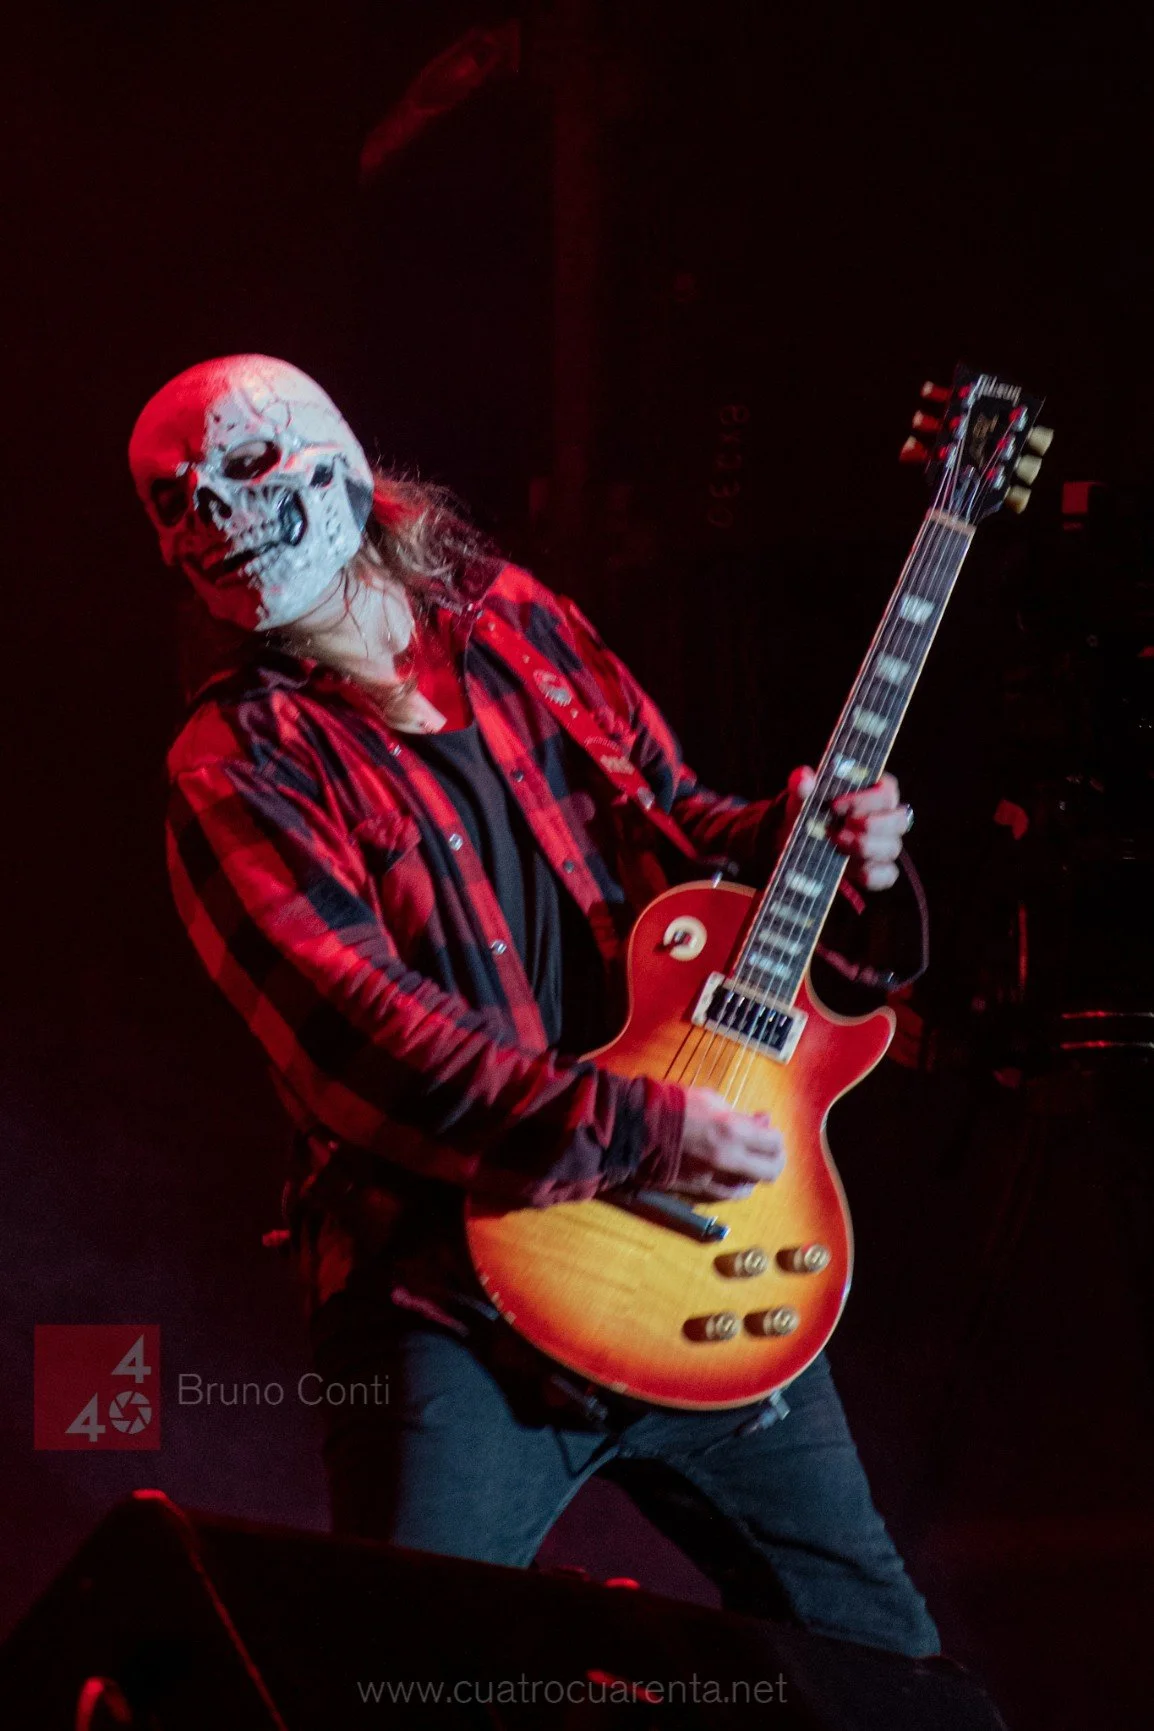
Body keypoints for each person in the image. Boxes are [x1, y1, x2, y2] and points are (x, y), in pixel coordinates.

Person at [131, 354, 937, 1656]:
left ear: (336, 459)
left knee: (881, 1667)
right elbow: (369, 1047)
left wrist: (817, 842)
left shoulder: (511, 617)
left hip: (696, 1258)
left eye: (241, 467)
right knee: (406, 1678)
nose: (208, 517)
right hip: (449, 1300)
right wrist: (640, 1130)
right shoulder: (234, 762)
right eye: (170, 502)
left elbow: (680, 827)